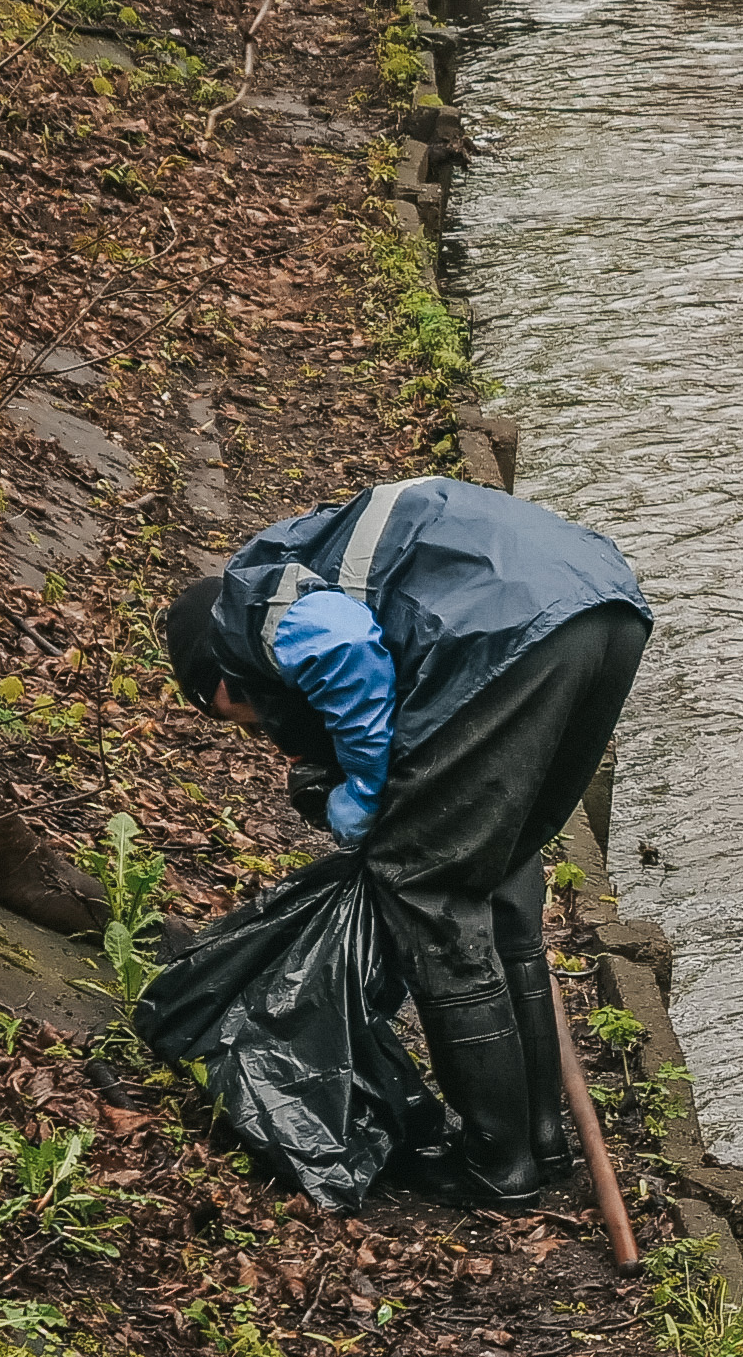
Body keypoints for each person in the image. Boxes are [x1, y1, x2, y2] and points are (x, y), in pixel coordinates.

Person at [162, 472, 651, 1208]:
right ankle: (540, 1141)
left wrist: (359, 790)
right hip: (603, 605)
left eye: (240, 720)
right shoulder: (306, 556)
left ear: (215, 683)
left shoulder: (247, 612)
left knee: (430, 895)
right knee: (502, 864)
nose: (259, 732)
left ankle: (498, 1164)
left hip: (510, 631)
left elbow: (343, 647)